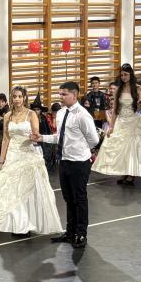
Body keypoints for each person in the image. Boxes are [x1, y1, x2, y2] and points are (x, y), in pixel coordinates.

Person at [0, 86, 62, 236]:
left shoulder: (31, 114)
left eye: (20, 96)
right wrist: (1, 161)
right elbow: (5, 139)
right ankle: (19, 224)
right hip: (12, 155)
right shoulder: (8, 116)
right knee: (12, 190)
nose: (17, 99)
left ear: (24, 98)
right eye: (14, 96)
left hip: (27, 153)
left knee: (26, 190)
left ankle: (28, 222)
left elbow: (36, 134)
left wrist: (34, 136)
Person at [34, 82, 99, 249]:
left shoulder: (83, 115)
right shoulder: (62, 113)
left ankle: (81, 234)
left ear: (74, 95)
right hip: (64, 161)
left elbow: (94, 139)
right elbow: (60, 137)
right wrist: (42, 138)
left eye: (64, 94)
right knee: (68, 199)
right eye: (60, 94)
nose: (61, 97)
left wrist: (80, 149)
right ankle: (70, 232)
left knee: (79, 198)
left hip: (79, 163)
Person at [93, 64, 141, 185]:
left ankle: (131, 174)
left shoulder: (138, 88)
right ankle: (124, 172)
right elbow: (115, 109)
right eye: (122, 75)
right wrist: (111, 126)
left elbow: (139, 108)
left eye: (126, 74)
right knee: (121, 149)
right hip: (121, 120)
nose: (123, 77)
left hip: (133, 120)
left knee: (132, 148)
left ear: (131, 74)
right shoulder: (118, 89)